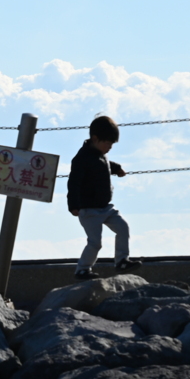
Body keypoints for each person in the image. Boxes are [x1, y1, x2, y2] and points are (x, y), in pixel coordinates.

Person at [66, 115, 141, 280]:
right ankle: (82, 269)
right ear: (95, 138)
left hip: (105, 207)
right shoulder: (81, 159)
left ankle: (122, 260)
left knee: (123, 227)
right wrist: (73, 205)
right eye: (108, 143)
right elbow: (74, 183)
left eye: (112, 144)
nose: (110, 147)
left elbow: (105, 165)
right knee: (95, 242)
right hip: (88, 209)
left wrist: (117, 168)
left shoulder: (101, 154)